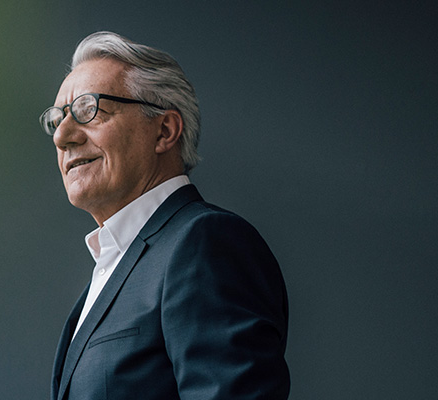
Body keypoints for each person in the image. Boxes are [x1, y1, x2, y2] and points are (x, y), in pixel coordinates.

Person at [42, 31, 290, 400]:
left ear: (164, 130)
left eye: (89, 110)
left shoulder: (204, 243)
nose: (62, 136)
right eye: (58, 119)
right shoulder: (115, 265)